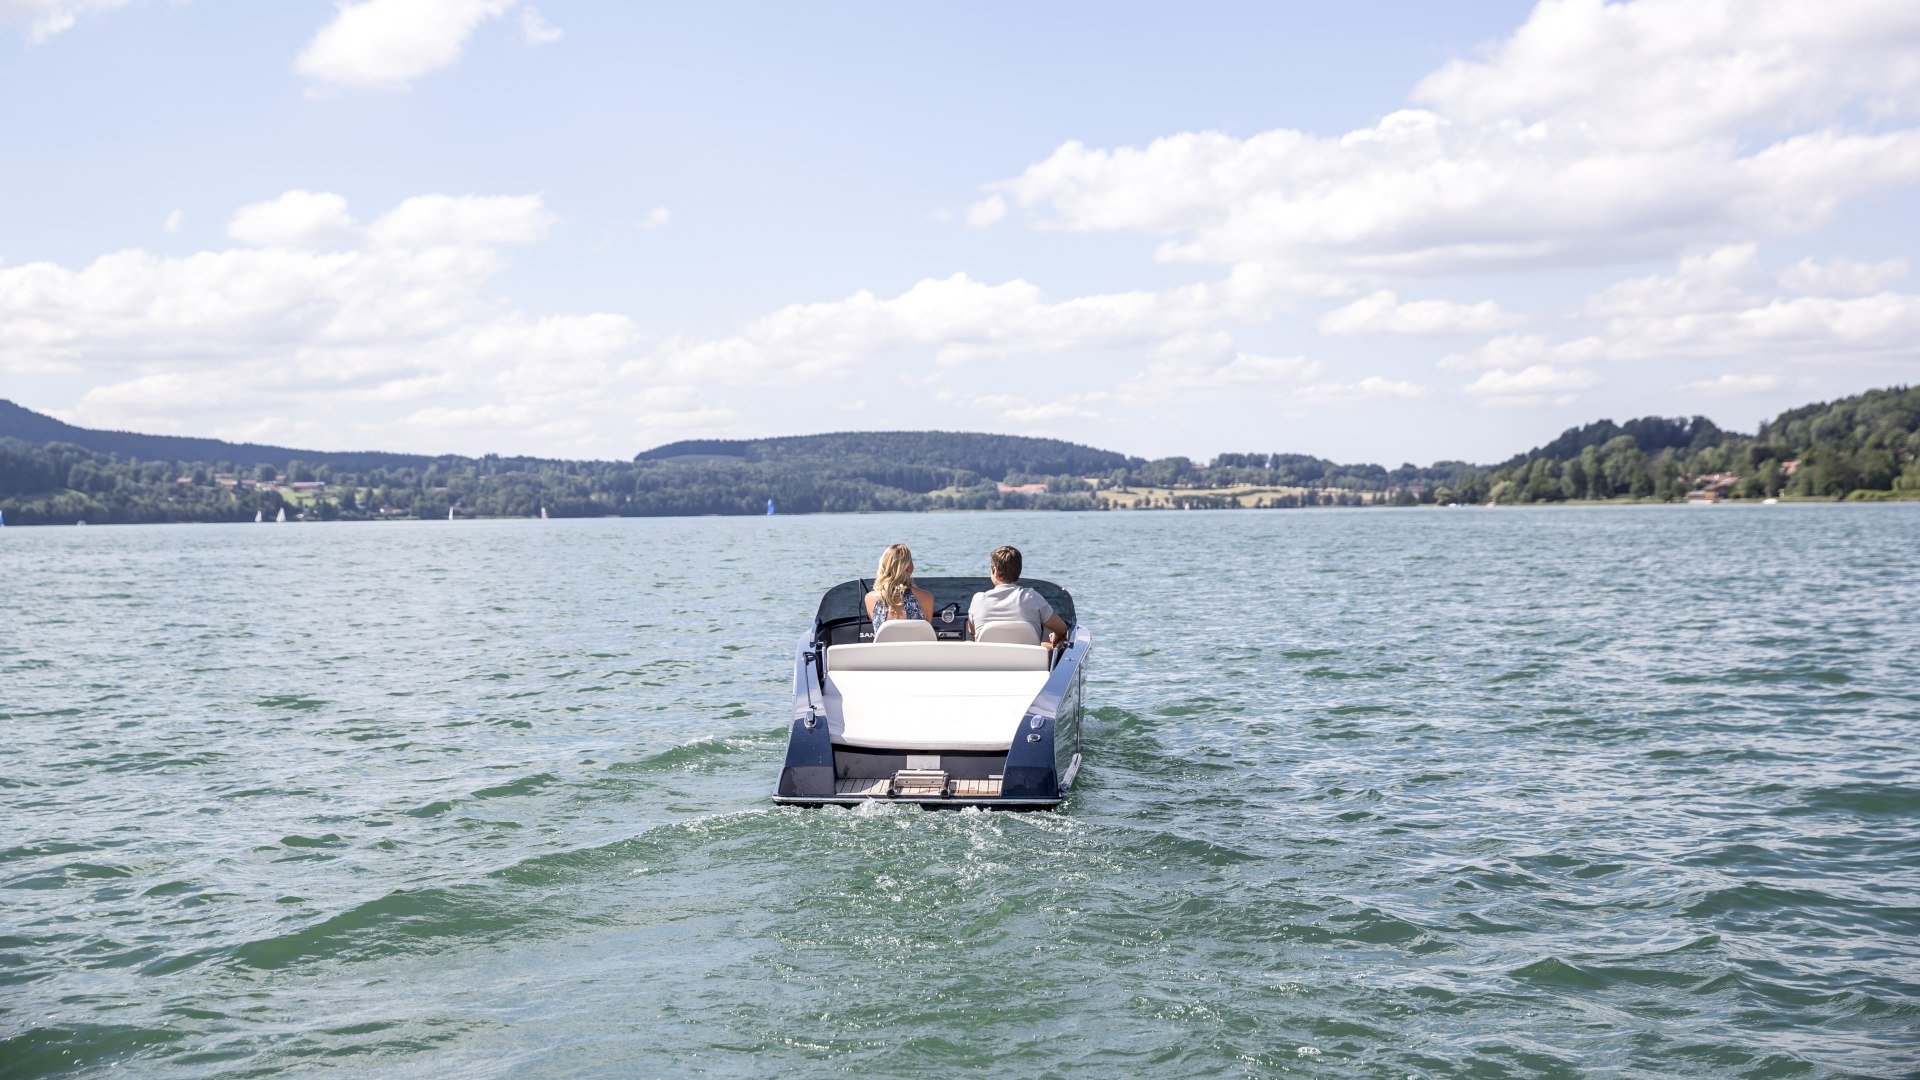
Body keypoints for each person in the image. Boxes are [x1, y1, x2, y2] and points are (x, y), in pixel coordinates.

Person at [968, 545, 1070, 648]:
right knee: (1045, 646)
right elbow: (1061, 629)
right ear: (1019, 571)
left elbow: (971, 630)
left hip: (985, 662)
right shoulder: (1031, 597)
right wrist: (1055, 638)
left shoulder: (978, 599)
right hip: (1030, 663)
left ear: (996, 572)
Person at [865, 543, 936, 631]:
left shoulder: (870, 598)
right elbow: (926, 631)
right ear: (909, 568)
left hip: (884, 645)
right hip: (915, 645)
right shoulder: (926, 598)